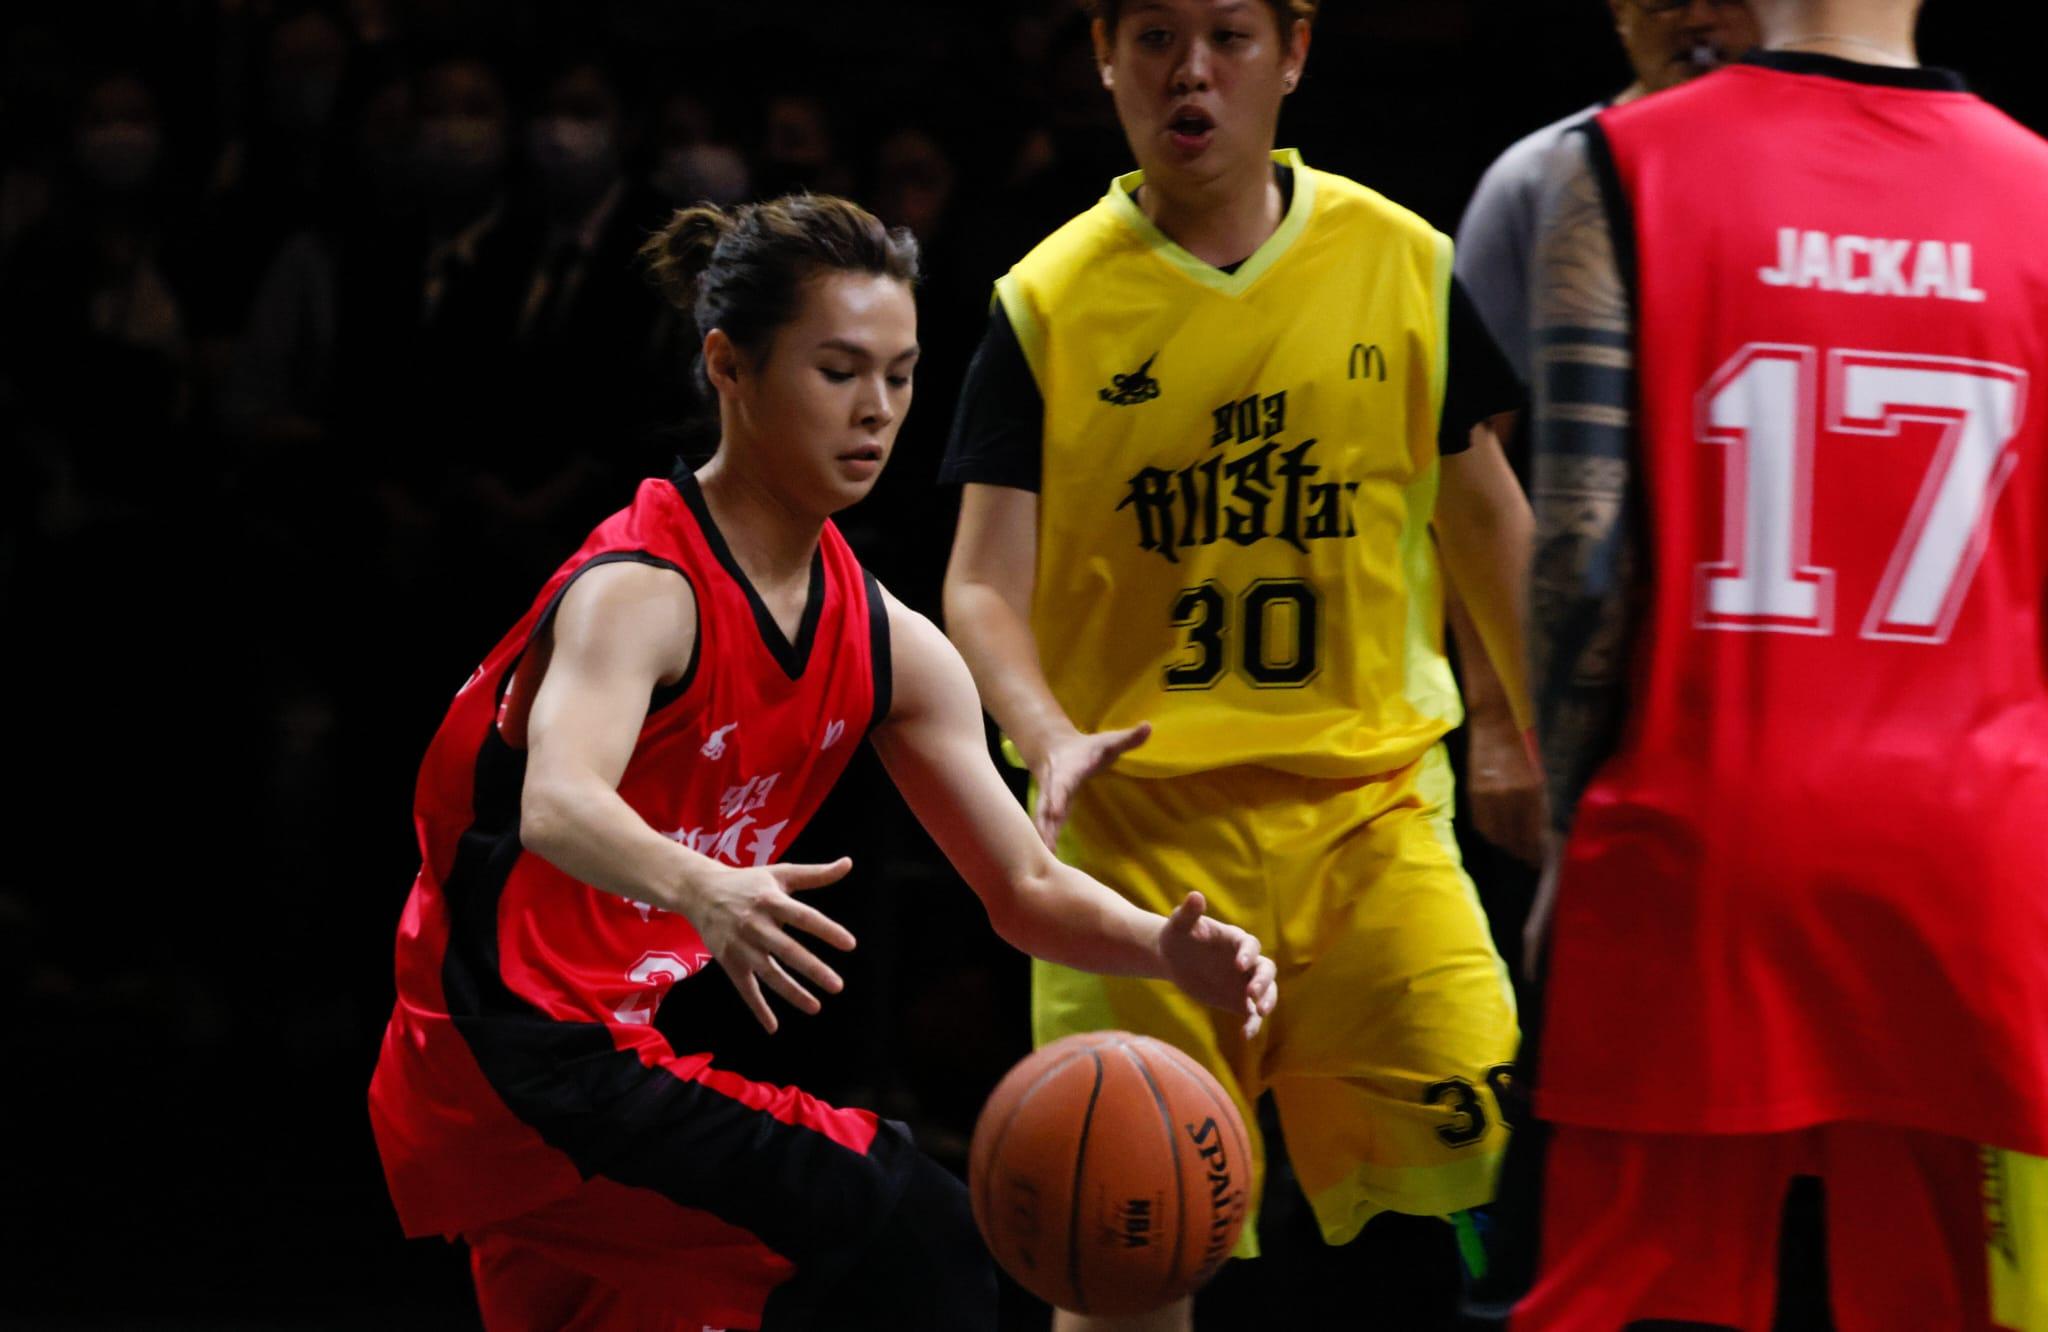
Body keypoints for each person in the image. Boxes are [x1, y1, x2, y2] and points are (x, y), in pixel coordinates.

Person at [367, 194, 1278, 1332]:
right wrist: (705, 887)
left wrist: (1162, 948)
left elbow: (1024, 887)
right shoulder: (642, 592)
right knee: (910, 1227)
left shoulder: (890, 645)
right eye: (838, 371)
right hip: (506, 1058)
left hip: (588, 1063)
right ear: (729, 369)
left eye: (900, 375)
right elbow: (558, 801)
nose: (876, 409)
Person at [940, 1, 1533, 1326]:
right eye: (1154, 37)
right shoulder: (1046, 300)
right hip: (1133, 850)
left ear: (1295, 52)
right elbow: (979, 581)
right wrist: (1045, 730)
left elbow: (1492, 528)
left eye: (1228, 36)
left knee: (1453, 1246)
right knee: (1118, 1250)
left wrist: (1549, 742)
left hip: (1372, 824)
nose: (1190, 72)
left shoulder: (1402, 260)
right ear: (1102, 56)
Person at [1520, 1, 2048, 1326]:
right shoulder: (2040, 192)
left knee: (1624, 1299)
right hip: (1973, 868)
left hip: (1700, 843)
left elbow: (1582, 554)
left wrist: (1570, 829)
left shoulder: (1618, 162)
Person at [1456, 0, 1759, 384]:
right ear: (1620, 13)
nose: (1698, 20)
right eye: (1667, 2)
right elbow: (1478, 395)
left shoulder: (1821, 161)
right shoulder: (1538, 174)